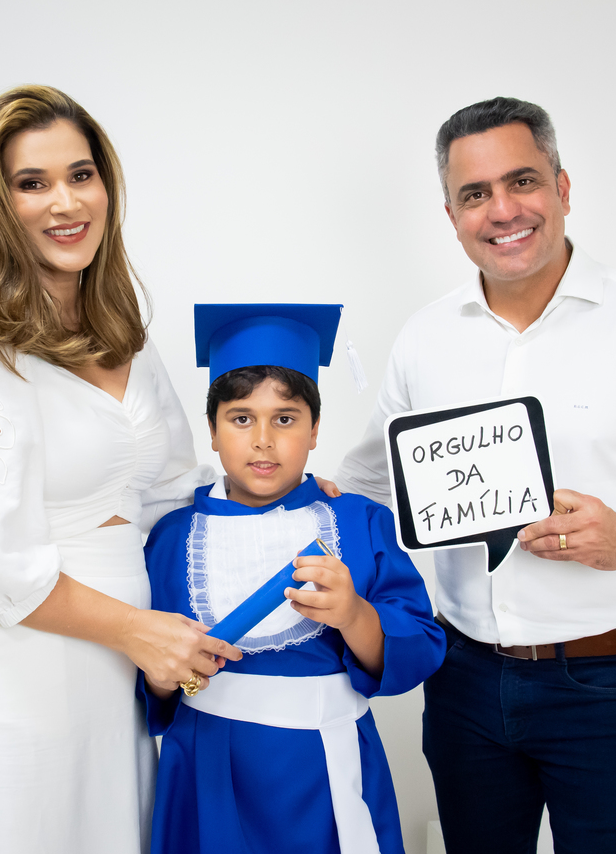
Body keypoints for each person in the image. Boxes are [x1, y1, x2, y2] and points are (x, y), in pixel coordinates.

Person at [336, 98, 616, 853]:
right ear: (452, 216)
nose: (502, 210)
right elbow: (369, 484)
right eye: (475, 193)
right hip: (461, 682)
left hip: (605, 686)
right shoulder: (424, 339)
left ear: (562, 186)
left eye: (522, 181)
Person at [0, 85, 245, 854]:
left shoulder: (120, 329)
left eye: (81, 175)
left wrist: (285, 496)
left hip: (121, 683)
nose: (66, 202)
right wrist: (137, 631)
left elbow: (169, 489)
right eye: (33, 183)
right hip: (18, 680)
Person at [139, 304, 446, 854]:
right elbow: (149, 676)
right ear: (212, 431)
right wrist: (168, 673)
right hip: (207, 767)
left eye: (285, 419)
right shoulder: (172, 537)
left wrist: (354, 614)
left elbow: (420, 649)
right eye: (240, 419)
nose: (263, 440)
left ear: (315, 429)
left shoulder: (358, 522)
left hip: (324, 772)